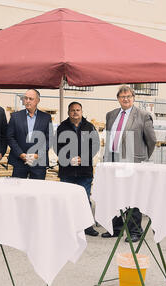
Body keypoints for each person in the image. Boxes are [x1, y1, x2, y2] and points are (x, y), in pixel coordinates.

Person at [102, 85, 157, 242]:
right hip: (113, 161)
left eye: (128, 96)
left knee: (133, 197)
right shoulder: (111, 115)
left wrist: (142, 158)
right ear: (118, 98)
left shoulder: (143, 115)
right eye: (122, 96)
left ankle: (135, 231)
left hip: (134, 162)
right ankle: (116, 228)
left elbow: (151, 140)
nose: (125, 99)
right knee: (115, 196)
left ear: (134, 98)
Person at [55, 102, 100, 236]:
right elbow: (57, 147)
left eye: (78, 110)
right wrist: (68, 158)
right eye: (72, 110)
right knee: (66, 199)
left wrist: (83, 158)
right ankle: (66, 226)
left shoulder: (89, 127)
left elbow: (95, 145)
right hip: (67, 171)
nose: (75, 112)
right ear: (68, 112)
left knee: (84, 199)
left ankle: (86, 226)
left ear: (81, 111)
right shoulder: (62, 127)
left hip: (84, 171)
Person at [7, 89, 53, 179]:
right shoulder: (15, 117)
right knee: (18, 191)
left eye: (30, 99)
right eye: (26, 98)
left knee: (37, 191)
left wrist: (37, 155)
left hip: (39, 162)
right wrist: (21, 154)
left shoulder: (46, 118)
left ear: (38, 100)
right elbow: (10, 137)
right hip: (19, 161)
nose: (27, 101)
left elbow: (49, 139)